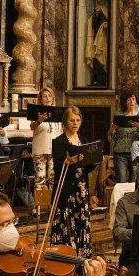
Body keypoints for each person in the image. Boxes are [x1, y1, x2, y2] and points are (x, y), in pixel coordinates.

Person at [52, 107, 96, 259]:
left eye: (77, 120)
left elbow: (87, 168)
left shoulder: (83, 141)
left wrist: (94, 160)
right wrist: (68, 163)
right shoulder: (59, 141)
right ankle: (65, 261)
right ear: (65, 122)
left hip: (81, 190)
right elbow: (57, 169)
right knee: (66, 225)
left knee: (81, 224)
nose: (75, 123)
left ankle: (82, 262)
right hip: (65, 190)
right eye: (71, 120)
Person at [108, 92, 139, 183]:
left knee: (134, 182)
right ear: (124, 102)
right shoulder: (119, 114)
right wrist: (112, 130)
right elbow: (111, 139)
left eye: (133, 99)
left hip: (135, 154)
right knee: (121, 181)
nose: (131, 102)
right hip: (120, 154)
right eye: (128, 100)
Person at [30, 87, 61, 184]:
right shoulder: (36, 112)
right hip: (40, 149)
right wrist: (39, 120)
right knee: (40, 178)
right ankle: (40, 199)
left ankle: (52, 199)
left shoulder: (57, 112)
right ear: (40, 99)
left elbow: (60, 131)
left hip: (54, 150)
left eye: (50, 96)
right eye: (45, 96)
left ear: (53, 98)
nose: (48, 98)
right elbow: (32, 126)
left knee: (53, 178)